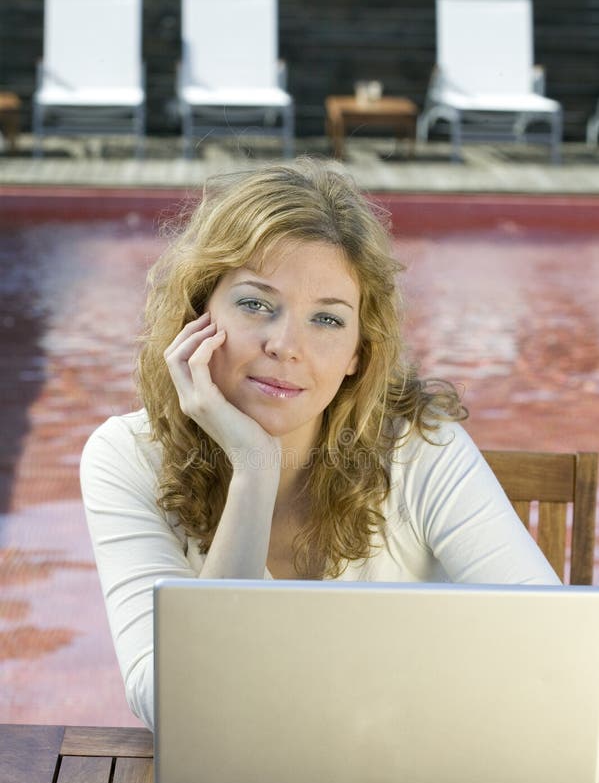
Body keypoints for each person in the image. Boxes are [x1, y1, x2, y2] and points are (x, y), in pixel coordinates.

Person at [80, 157, 560, 731]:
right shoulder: (127, 457)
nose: (286, 345)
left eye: (327, 320)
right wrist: (253, 468)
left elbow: (552, 647)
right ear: (198, 314)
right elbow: (180, 708)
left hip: (411, 780)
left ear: (360, 351)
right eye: (256, 304)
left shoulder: (420, 448)